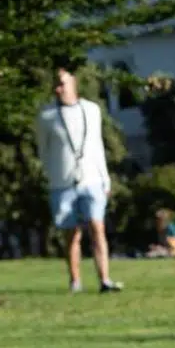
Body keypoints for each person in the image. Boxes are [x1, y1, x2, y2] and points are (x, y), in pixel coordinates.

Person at [36, 65, 121, 294]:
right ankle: (75, 281)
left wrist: (105, 179)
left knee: (97, 227)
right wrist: (52, 175)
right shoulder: (46, 116)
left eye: (62, 83)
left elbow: (97, 146)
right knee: (71, 233)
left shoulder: (91, 110)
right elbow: (43, 151)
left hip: (91, 179)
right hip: (62, 183)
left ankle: (105, 279)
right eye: (56, 84)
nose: (58, 89)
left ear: (73, 83)